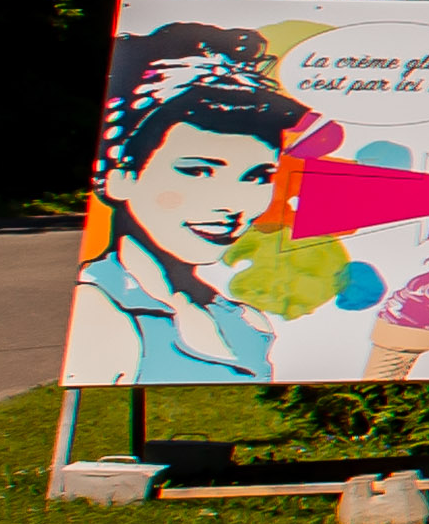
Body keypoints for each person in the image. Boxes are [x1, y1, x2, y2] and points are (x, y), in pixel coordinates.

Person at [70, 29, 302, 386]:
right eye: (197, 170)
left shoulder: (245, 321)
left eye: (257, 177)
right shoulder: (103, 310)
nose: (232, 204)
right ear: (121, 176)